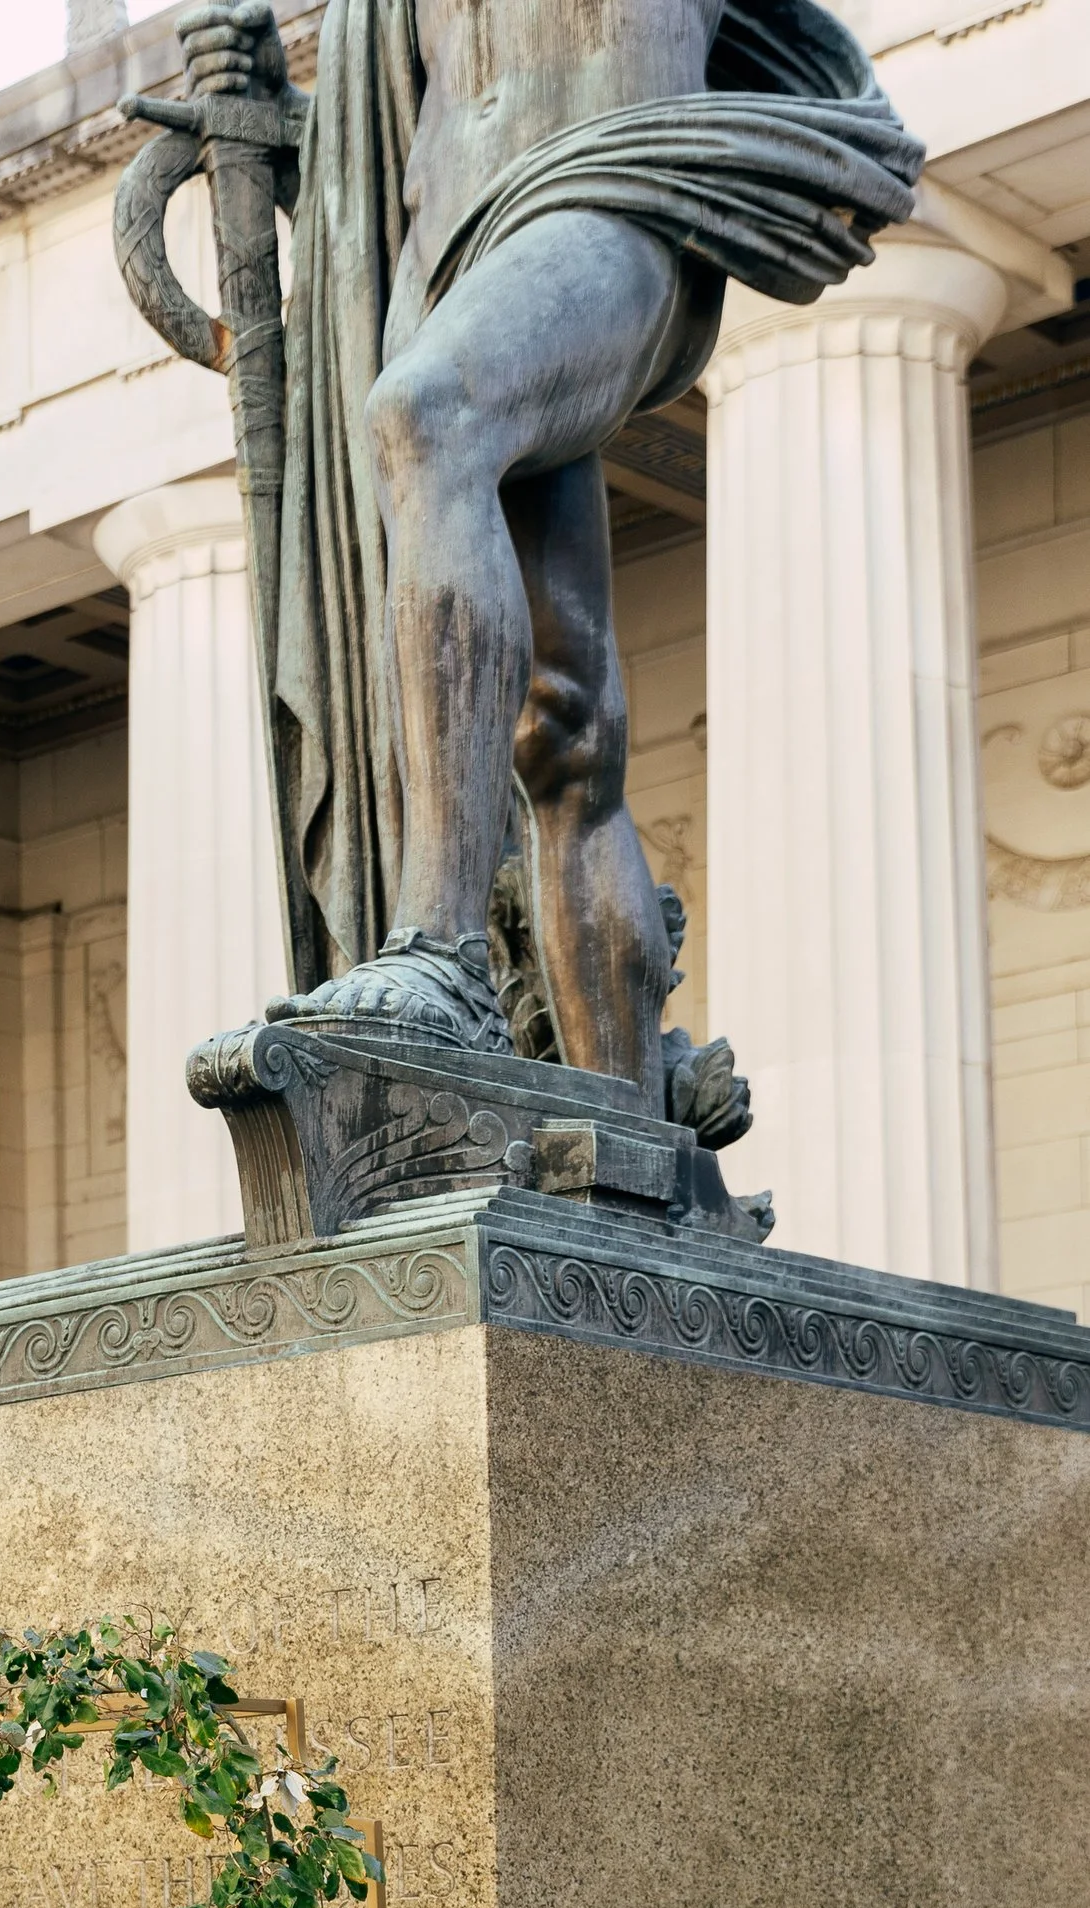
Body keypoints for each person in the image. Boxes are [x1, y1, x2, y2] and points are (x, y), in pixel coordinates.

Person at [258, 0, 920, 1092]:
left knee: (429, 415)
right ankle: (631, 1123)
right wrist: (281, 122)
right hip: (446, 253)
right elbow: (394, 124)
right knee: (561, 718)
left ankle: (437, 950)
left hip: (612, 191)